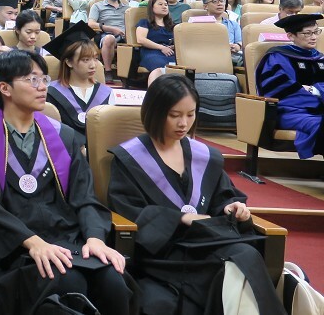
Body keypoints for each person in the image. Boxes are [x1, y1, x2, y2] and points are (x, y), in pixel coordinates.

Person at [0, 50, 133, 314]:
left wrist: (95, 239)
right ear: (4, 88)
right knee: (68, 282)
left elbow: (85, 197)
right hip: (16, 251)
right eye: (32, 80)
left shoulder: (63, 136)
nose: (42, 87)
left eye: (44, 79)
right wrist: (32, 242)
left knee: (113, 282)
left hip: (70, 242)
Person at [108, 75, 286, 315]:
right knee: (239, 260)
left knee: (244, 255)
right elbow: (127, 211)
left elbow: (223, 196)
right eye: (174, 115)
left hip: (207, 243)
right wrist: (180, 218)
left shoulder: (204, 156)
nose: (184, 123)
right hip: (164, 253)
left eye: (190, 114)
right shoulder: (130, 159)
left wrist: (231, 208)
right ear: (154, 112)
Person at [255, 13, 324, 158]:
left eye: (316, 32)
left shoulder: (320, 58)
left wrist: (315, 89)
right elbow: (279, 89)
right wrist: (318, 95)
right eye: (307, 33)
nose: (313, 37)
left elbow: (311, 88)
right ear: (291, 36)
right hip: (291, 111)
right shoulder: (277, 57)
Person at [44, 22, 111, 136]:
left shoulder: (106, 93)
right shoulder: (51, 93)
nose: (93, 65)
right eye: (86, 60)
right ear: (69, 62)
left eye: (95, 58)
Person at [89, 0, 128, 82]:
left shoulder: (126, 7)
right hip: (106, 34)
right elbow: (91, 24)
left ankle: (129, 74)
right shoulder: (97, 6)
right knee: (109, 38)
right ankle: (108, 71)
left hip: (125, 35)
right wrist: (110, 28)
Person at [135, 0, 176, 84]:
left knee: (179, 65)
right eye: (160, 4)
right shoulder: (145, 22)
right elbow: (141, 39)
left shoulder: (172, 25)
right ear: (152, 7)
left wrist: (174, 46)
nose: (164, 7)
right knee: (160, 65)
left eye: (166, 5)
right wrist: (161, 47)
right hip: (151, 52)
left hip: (170, 52)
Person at [202, 0, 243, 66]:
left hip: (230, 56)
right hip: (206, 56)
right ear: (205, 6)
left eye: (221, 1)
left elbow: (239, 41)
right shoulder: (198, 24)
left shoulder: (233, 24)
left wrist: (237, 46)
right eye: (215, 1)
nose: (220, 4)